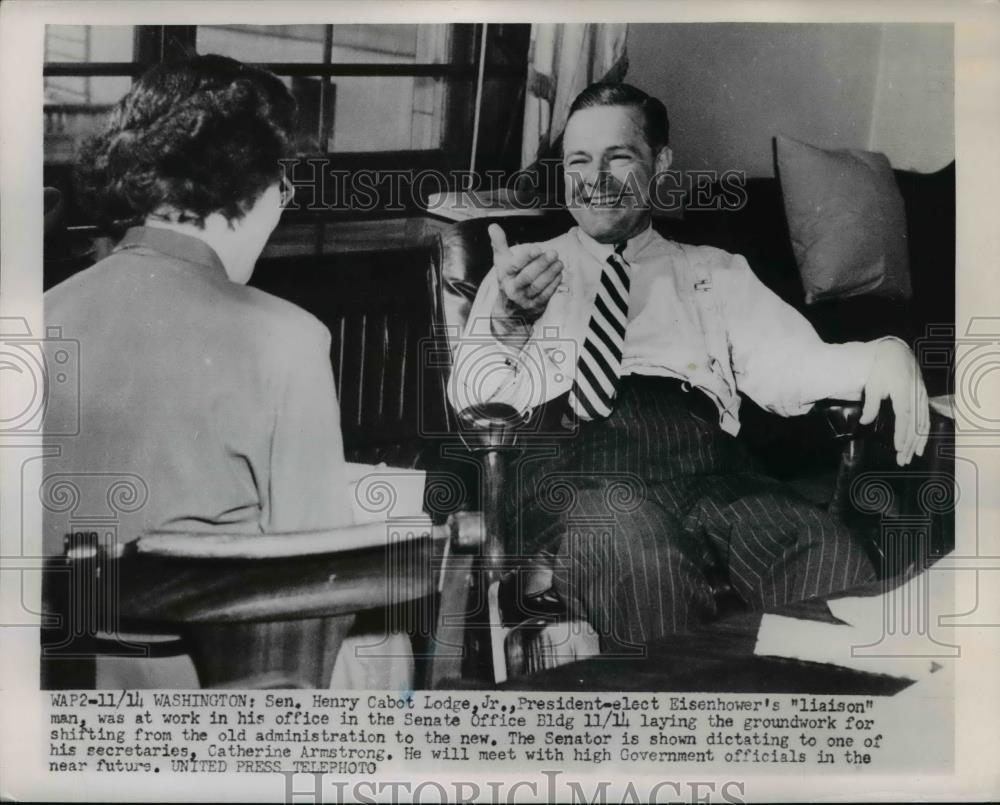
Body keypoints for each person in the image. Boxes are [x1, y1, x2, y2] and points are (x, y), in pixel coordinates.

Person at [449, 82, 929, 652]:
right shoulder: (520, 275)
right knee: (644, 564)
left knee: (829, 556)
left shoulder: (713, 271)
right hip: (579, 477)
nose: (594, 178)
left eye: (618, 157)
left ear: (661, 163)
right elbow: (472, 398)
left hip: (714, 468)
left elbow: (791, 363)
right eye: (578, 161)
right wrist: (508, 324)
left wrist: (883, 353)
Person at [42, 55, 413, 689]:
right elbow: (311, 573)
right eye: (283, 188)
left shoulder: (32, 318)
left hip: (52, 686)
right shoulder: (289, 337)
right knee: (388, 640)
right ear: (250, 190)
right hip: (213, 691)